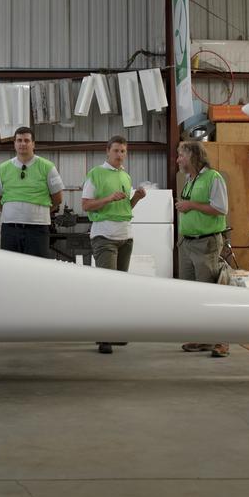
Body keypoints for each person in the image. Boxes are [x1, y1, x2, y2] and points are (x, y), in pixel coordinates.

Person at [81, 135, 147, 354]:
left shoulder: (125, 176)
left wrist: (136, 198)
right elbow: (86, 205)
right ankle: (104, 336)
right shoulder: (95, 174)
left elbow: (125, 208)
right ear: (107, 151)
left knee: (120, 288)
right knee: (106, 287)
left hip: (125, 236)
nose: (120, 155)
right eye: (116, 151)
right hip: (104, 236)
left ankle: (116, 331)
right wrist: (108, 198)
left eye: (123, 151)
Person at [175, 140, 231, 358]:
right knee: (191, 295)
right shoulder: (190, 180)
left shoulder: (213, 178)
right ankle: (201, 337)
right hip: (187, 243)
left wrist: (191, 206)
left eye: (181, 155)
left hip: (205, 243)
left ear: (192, 156)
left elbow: (220, 208)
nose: (178, 160)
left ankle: (221, 341)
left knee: (210, 292)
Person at [0, 126, 63, 258]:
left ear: (33, 144)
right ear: (14, 144)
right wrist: (14, 212)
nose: (22, 144)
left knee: (37, 268)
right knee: (10, 267)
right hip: (10, 228)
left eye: (26, 140)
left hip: (38, 229)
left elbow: (58, 198)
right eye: (19, 140)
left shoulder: (47, 167)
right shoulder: (3, 168)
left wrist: (37, 212)